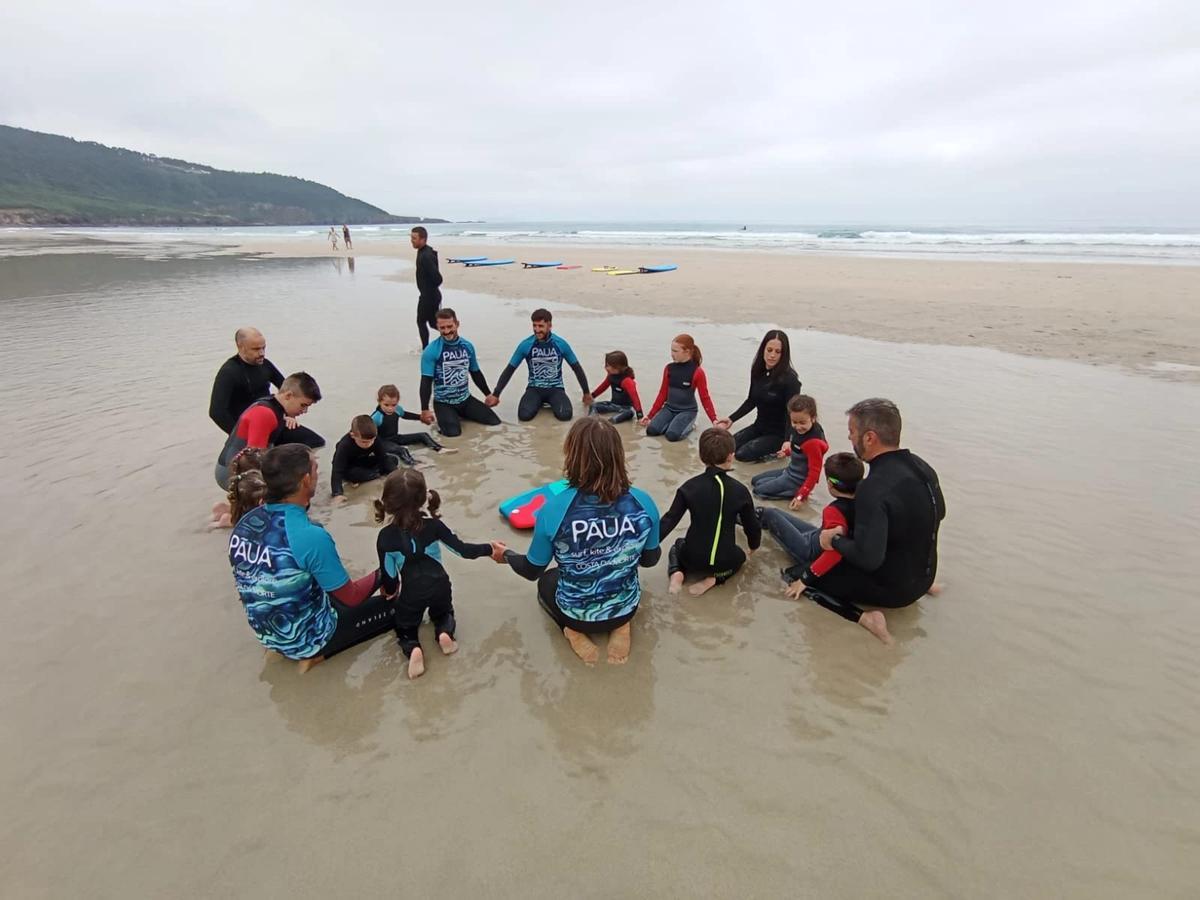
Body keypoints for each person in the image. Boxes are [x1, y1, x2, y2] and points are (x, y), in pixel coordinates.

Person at [492, 418, 661, 665]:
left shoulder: (553, 510)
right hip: (627, 606)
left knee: (547, 580)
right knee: (618, 572)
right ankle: (621, 626)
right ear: (619, 455)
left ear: (572, 455)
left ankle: (573, 632)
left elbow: (531, 570)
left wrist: (505, 555)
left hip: (576, 615)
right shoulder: (644, 503)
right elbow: (650, 560)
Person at [228, 444, 394, 673]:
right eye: (316, 469)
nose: (318, 474)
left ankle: (280, 648)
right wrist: (384, 573)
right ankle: (315, 655)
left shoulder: (245, 523)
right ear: (306, 480)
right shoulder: (309, 535)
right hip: (306, 639)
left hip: (266, 633)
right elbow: (351, 598)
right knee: (401, 605)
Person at [796, 398, 946, 612]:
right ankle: (927, 587)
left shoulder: (872, 487)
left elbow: (868, 559)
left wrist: (835, 540)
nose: (849, 436)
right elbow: (939, 513)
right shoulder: (922, 467)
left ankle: (866, 618)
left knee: (795, 576)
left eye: (852, 431)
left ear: (869, 438)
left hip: (895, 592)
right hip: (924, 577)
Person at [759, 453, 892, 643]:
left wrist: (805, 579)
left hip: (810, 549)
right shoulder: (867, 501)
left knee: (768, 514)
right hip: (817, 535)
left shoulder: (833, 511)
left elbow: (834, 551)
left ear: (829, 484)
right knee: (776, 515)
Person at [375, 469, 494, 680]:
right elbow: (463, 550)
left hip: (412, 592)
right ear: (422, 499)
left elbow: (390, 576)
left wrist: (391, 592)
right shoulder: (434, 526)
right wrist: (490, 549)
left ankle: (413, 649)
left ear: (388, 502)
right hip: (440, 584)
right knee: (443, 612)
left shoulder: (385, 538)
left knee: (406, 625)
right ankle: (444, 633)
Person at [659, 427, 761, 596]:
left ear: (700, 456)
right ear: (731, 456)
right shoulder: (740, 491)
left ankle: (677, 573)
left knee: (677, 545)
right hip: (724, 562)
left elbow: (669, 521)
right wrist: (753, 545)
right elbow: (752, 525)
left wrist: (647, 547)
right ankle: (714, 580)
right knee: (741, 556)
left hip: (691, 558)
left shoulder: (689, 488)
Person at [208, 327, 325, 449]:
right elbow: (216, 412)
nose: (262, 353)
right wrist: (239, 436)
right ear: (240, 346)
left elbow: (290, 390)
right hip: (249, 429)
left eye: (263, 348)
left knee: (315, 442)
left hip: (273, 422)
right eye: (256, 349)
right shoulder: (229, 372)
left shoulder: (265, 365)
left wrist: (290, 416)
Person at [214, 371, 322, 488]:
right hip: (230, 472)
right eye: (303, 405)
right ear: (288, 396)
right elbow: (254, 458)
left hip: (237, 465)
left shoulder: (273, 405)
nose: (305, 411)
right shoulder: (265, 414)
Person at [486, 308, 592, 421]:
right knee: (524, 416)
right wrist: (496, 394)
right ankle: (537, 403)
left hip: (556, 389)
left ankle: (550, 402)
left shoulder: (560, 344)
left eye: (541, 326)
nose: (537, 330)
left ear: (549, 325)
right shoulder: (526, 345)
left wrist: (586, 393)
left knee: (565, 416)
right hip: (534, 389)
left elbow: (576, 368)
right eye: (534, 326)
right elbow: (510, 370)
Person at [715, 329, 802, 462]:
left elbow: (792, 414)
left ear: (784, 354)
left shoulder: (790, 380)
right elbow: (751, 400)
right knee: (726, 448)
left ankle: (772, 458)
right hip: (759, 426)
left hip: (778, 434)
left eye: (777, 352)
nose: (772, 355)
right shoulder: (757, 370)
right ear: (763, 349)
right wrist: (731, 419)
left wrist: (787, 441)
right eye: (769, 350)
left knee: (741, 455)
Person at [419, 308, 501, 437]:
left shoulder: (467, 346)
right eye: (442, 328)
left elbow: (475, 372)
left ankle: (459, 415)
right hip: (443, 403)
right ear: (437, 327)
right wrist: (424, 409)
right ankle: (444, 420)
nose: (446, 331)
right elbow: (426, 381)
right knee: (453, 435)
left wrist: (488, 394)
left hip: (465, 399)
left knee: (495, 423)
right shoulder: (431, 351)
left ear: (457, 324)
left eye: (450, 326)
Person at [640, 334, 718, 442]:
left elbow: (705, 398)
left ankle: (692, 423)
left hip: (687, 411)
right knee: (651, 431)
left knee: (671, 436)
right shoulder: (669, 368)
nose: (672, 354)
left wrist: (714, 420)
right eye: (671, 350)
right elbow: (662, 394)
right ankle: (672, 423)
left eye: (675, 351)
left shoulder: (698, 372)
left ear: (687, 352)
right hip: (669, 408)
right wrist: (650, 416)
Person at [750, 394, 827, 504]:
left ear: (813, 418)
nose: (798, 427)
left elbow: (814, 473)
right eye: (794, 422)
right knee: (755, 481)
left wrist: (801, 495)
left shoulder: (813, 443)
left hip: (798, 480)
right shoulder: (800, 430)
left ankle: (795, 493)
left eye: (802, 423)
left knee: (758, 491)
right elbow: (799, 449)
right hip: (790, 471)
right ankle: (790, 490)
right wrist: (787, 452)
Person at [371, 384, 453, 466]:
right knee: (402, 450)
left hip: (395, 438)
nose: (390, 408)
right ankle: (414, 464)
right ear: (379, 401)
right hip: (382, 443)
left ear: (397, 401)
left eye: (394, 405)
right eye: (386, 405)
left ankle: (439, 449)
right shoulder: (377, 417)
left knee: (423, 435)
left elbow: (406, 415)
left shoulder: (397, 410)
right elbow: (366, 431)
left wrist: (421, 417)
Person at [330, 415, 398, 504]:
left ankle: (372, 475)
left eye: (372, 440)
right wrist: (337, 493)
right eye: (364, 442)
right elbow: (337, 470)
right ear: (352, 435)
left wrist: (397, 475)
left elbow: (383, 458)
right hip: (350, 467)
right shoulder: (344, 445)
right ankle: (373, 475)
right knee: (354, 474)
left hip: (364, 461)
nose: (369, 444)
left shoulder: (374, 439)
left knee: (393, 459)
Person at [210, 447, 266, 529]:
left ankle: (218, 517)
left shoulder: (239, 485)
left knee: (220, 507)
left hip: (239, 512)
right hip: (247, 517)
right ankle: (224, 521)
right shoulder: (259, 487)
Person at [587, 350, 643, 424]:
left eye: (608, 365)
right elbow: (602, 387)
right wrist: (592, 396)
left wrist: (640, 416)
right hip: (613, 405)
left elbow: (635, 398)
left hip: (626, 409)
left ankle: (611, 421)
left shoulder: (627, 381)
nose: (605, 368)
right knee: (593, 405)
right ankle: (590, 419)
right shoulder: (611, 376)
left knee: (630, 413)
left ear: (617, 367)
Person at [411, 226, 443, 348]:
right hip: (428, 295)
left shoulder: (426, 256)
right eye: (411, 238)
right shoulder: (424, 251)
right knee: (433, 323)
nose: (412, 241)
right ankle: (450, 342)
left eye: (414, 238)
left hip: (430, 297)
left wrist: (429, 290)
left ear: (423, 239)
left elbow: (438, 279)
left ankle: (426, 349)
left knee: (423, 322)